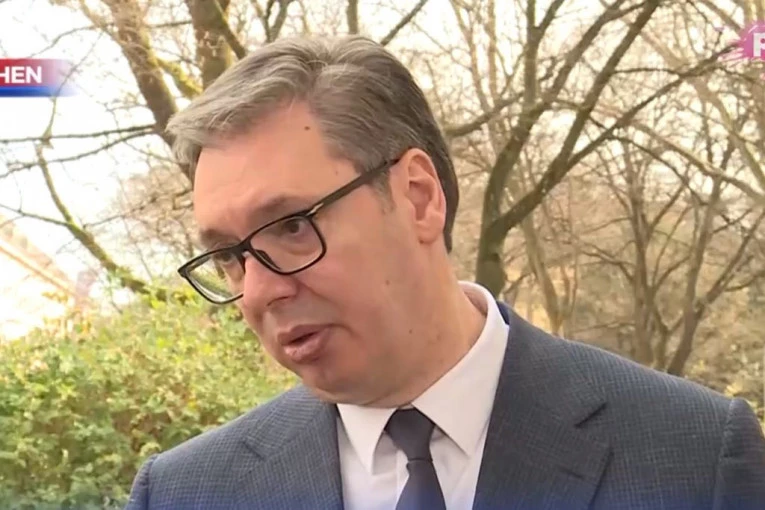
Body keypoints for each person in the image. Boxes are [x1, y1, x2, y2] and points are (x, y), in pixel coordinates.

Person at [125, 35, 765, 510]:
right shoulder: (184, 493)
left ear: (418, 197)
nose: (261, 290)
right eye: (230, 256)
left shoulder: (694, 455)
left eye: (292, 226)